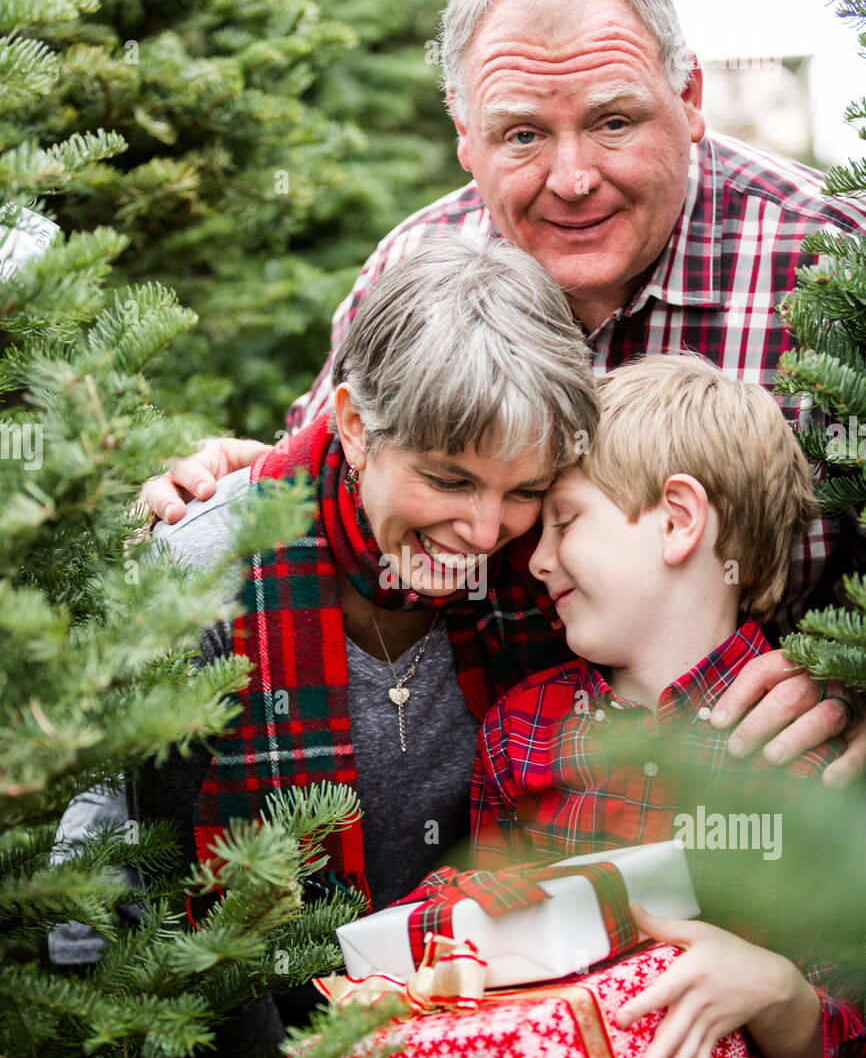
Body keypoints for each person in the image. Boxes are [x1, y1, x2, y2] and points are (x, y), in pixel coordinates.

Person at [140, 0, 866, 784]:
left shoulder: (829, 267)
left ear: (691, 95)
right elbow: (346, 498)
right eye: (521, 134)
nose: (571, 177)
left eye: (614, 121)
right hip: (514, 805)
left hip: (775, 807)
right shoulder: (413, 271)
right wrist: (221, 490)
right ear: (464, 135)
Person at [51, 236, 596, 980]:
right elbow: (152, 890)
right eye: (447, 480)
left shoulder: (546, 575)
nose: (484, 530)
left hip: (484, 1017)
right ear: (354, 427)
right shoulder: (207, 582)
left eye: (524, 491)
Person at [469, 353, 866, 1058]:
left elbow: (851, 1036)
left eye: (564, 521)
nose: (535, 561)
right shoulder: (521, 733)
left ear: (678, 519)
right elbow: (480, 947)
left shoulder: (817, 754)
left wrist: (774, 990)